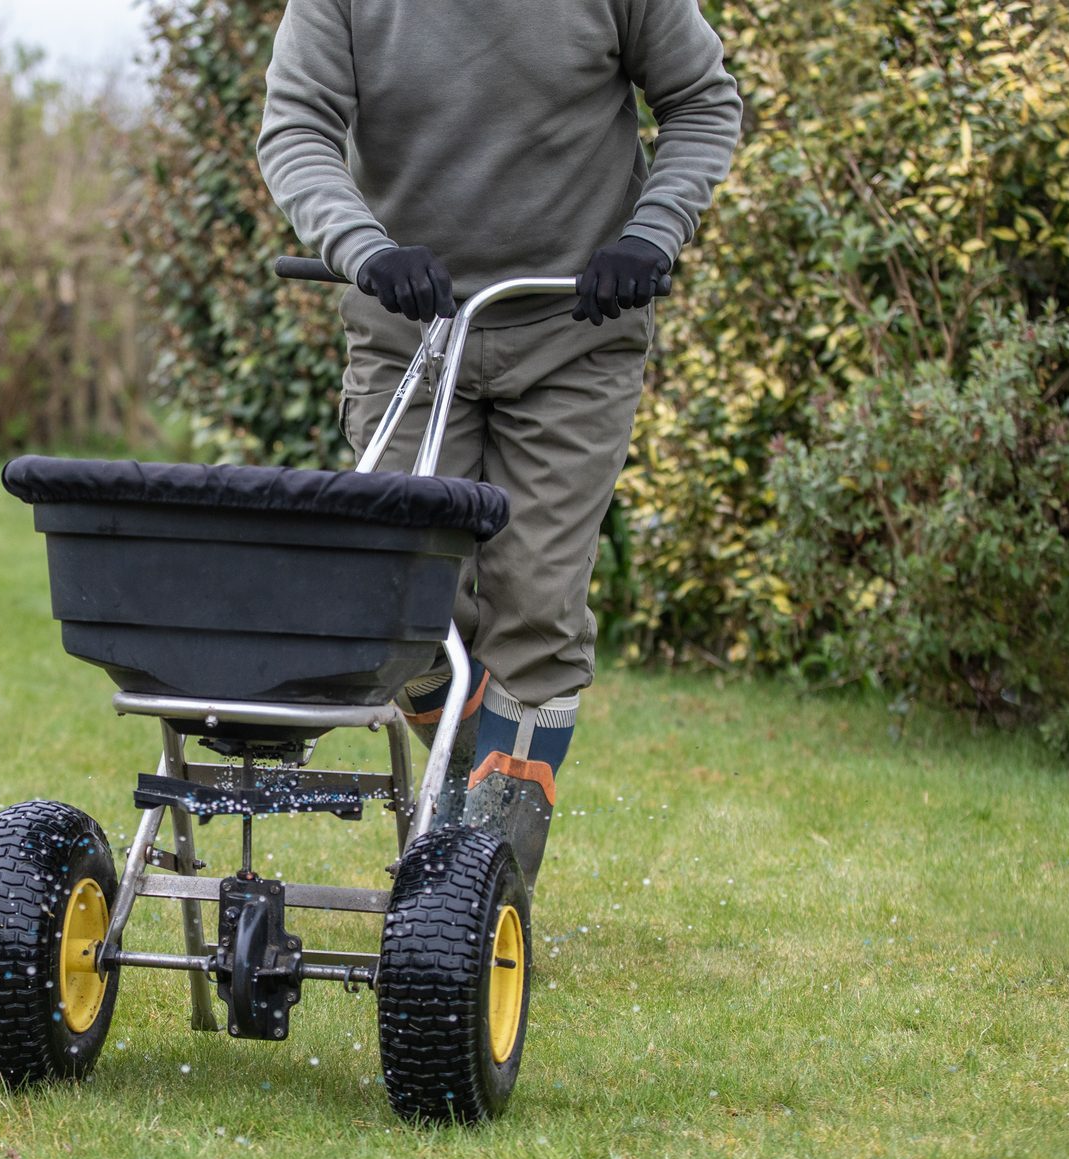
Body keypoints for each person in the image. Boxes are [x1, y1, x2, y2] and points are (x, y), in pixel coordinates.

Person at [257, 0, 742, 890]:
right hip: (410, 328)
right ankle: (469, 816)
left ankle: (484, 896)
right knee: (396, 600)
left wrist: (650, 232)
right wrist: (363, 247)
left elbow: (703, 102)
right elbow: (296, 128)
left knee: (536, 610)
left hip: (574, 327)